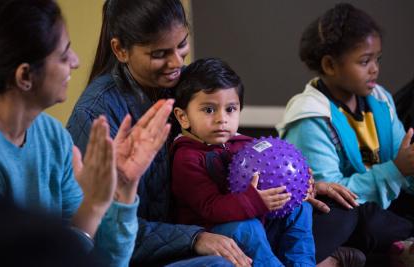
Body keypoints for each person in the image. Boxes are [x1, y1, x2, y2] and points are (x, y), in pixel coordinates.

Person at [0, 0, 174, 266]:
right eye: (64, 55)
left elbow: (105, 261)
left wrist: (124, 188)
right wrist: (91, 209)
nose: (76, 62)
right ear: (25, 76)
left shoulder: (51, 134)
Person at [66, 0, 239, 266]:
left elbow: (223, 148)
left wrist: (283, 183)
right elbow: (102, 229)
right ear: (120, 50)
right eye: (159, 54)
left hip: (193, 228)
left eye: (182, 45)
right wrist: (193, 238)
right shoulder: (94, 115)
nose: (177, 62)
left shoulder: (183, 88)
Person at [276, 3, 414, 265]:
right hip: (340, 214)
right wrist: (397, 170)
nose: (374, 68)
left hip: (379, 205)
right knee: (363, 221)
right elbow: (332, 197)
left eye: (377, 59)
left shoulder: (380, 100)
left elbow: (402, 161)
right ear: (329, 65)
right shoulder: (310, 117)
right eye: (364, 61)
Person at [170, 57, 316, 266]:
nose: (222, 119)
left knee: (300, 208)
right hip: (214, 232)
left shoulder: (245, 144)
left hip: (257, 218)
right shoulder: (186, 158)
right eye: (209, 110)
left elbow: (277, 170)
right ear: (183, 117)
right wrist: (255, 201)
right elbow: (211, 207)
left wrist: (299, 181)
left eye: (230, 109)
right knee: (246, 228)